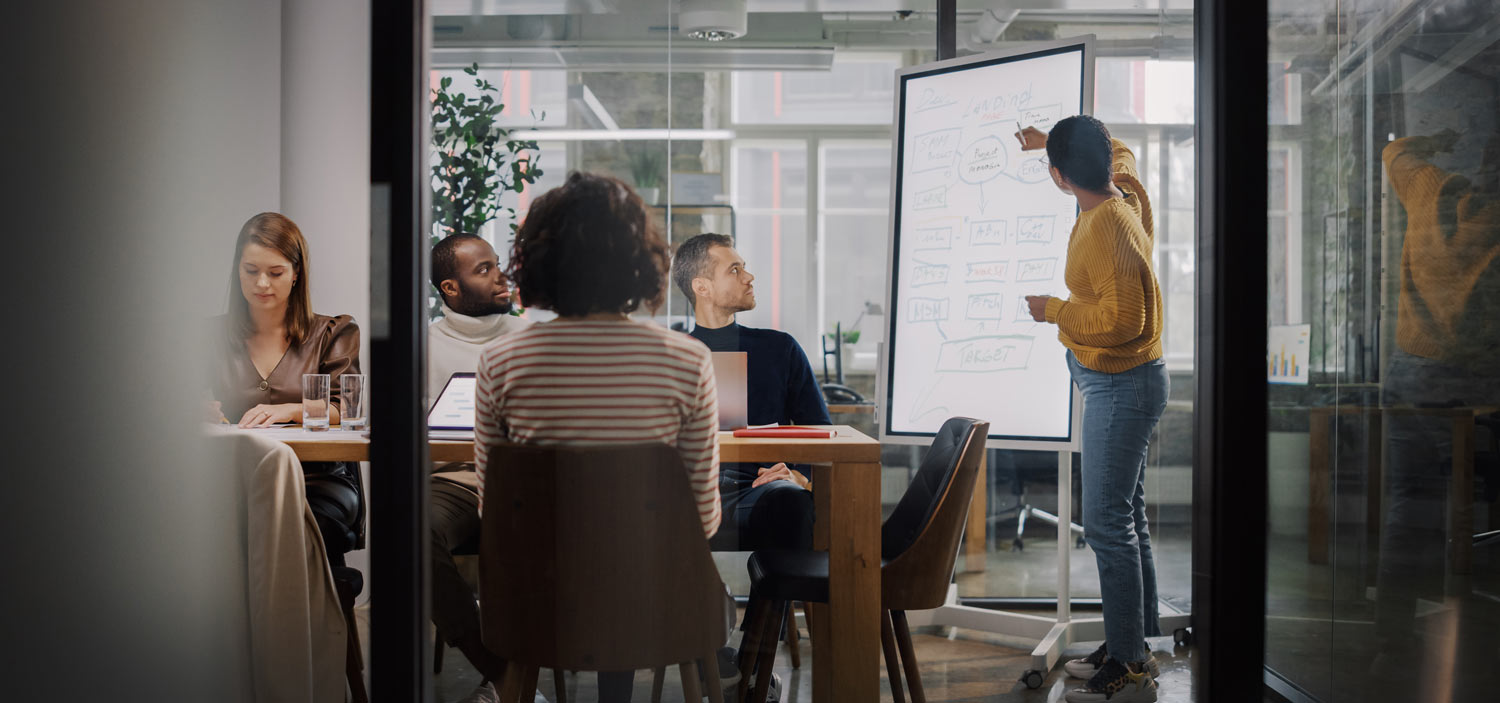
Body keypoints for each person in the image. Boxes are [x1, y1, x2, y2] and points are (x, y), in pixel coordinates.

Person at [474, 172, 723, 703]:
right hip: (655, 605)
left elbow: (492, 510)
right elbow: (702, 517)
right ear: (642, 261)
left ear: (536, 263)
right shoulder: (688, 360)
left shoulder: (500, 362)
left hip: (540, 607)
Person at [1019, 116, 1166, 703]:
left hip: (1121, 385)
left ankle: (1129, 662)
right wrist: (1046, 143)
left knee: (1108, 525)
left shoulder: (1108, 224)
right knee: (1128, 518)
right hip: (1122, 383)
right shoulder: (1123, 187)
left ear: (1058, 177)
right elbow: (1118, 148)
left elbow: (1123, 323)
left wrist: (1054, 309)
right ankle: (1135, 642)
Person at [1372, 128, 1500, 692]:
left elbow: (1394, 151)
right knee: (1471, 510)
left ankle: (1392, 642)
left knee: (1408, 509)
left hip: (1408, 374)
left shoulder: (1430, 189)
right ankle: (1474, 642)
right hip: (1472, 390)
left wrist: (1441, 137)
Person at [209, 212, 364, 566]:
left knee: (289, 525)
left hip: (316, 479)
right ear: (237, 271)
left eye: (275, 272)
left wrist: (291, 410)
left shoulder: (333, 333)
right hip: (233, 478)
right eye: (251, 271)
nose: (262, 283)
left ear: (296, 274)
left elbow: (346, 409)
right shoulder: (210, 338)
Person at [424, 233, 538, 703]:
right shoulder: (422, 344)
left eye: (497, 265)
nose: (500, 277)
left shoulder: (530, 337)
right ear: (450, 288)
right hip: (456, 479)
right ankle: (499, 671)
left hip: (525, 480)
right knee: (410, 530)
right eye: (484, 269)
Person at [671, 233, 829, 552]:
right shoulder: (673, 354)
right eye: (734, 270)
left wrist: (799, 474)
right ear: (702, 287)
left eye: (744, 268)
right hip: (687, 494)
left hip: (760, 489)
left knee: (793, 502)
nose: (749, 277)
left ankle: (768, 604)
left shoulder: (779, 348)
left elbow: (821, 430)